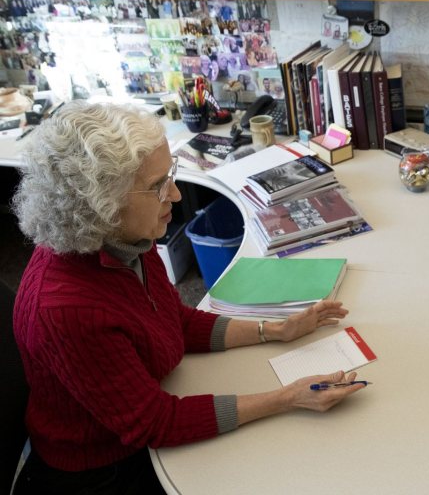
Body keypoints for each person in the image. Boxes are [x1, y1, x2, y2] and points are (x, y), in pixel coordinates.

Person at [12, 102, 367, 494]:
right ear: (101, 203)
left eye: (171, 175)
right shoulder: (64, 309)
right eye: (159, 185)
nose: (177, 195)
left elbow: (171, 320)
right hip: (101, 469)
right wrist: (286, 399)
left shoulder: (127, 237)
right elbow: (155, 423)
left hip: (142, 417)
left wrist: (277, 329)